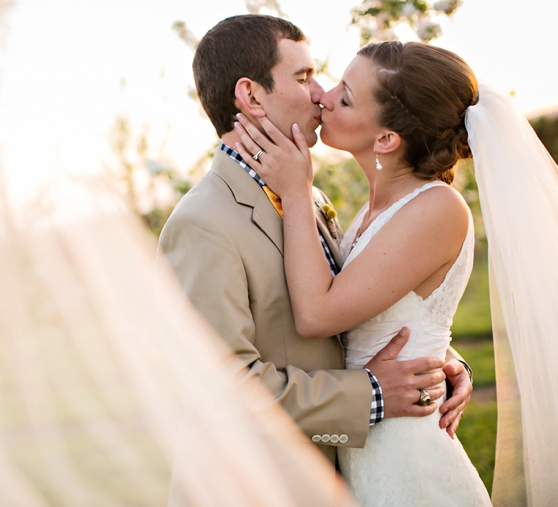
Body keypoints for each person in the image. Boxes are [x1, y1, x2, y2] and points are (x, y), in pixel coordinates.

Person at [157, 14, 473, 471]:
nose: (320, 93)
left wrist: (438, 362)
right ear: (250, 95)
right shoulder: (203, 222)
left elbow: (361, 305)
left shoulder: (307, 196)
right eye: (304, 77)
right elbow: (221, 389)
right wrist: (374, 395)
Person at [233, 41, 494, 504]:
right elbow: (400, 313)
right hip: (362, 443)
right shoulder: (377, 209)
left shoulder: (438, 207)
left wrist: (295, 191)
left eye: (346, 96)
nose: (323, 97)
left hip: (408, 462)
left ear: (386, 140)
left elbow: (317, 314)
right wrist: (447, 360)